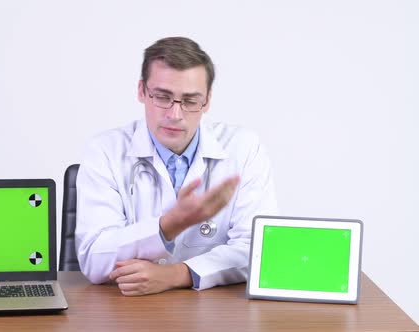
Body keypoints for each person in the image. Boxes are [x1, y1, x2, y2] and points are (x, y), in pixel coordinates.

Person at [75, 37, 278, 296]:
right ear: (141, 91)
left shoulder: (244, 147)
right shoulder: (105, 151)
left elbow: (258, 249)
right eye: (162, 97)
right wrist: (171, 224)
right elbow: (94, 258)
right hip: (128, 310)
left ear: (207, 101)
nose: (175, 114)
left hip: (213, 310)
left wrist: (177, 274)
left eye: (191, 101)